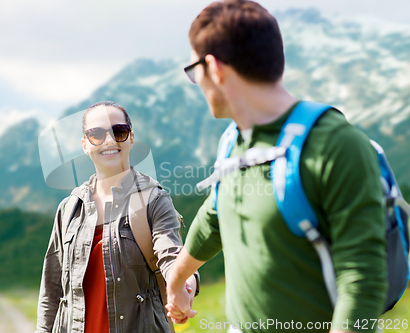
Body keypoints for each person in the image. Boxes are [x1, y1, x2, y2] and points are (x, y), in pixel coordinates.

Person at [165, 1, 388, 332]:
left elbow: (362, 278)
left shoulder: (336, 144)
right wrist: (176, 280)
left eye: (194, 72)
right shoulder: (233, 142)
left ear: (214, 69)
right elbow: (214, 216)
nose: (197, 83)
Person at [35, 101, 198, 333]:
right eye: (97, 134)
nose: (109, 141)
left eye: (119, 132)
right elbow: (52, 290)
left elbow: (172, 257)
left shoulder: (154, 200)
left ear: (131, 138)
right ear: (84, 144)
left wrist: (184, 286)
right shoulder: (69, 208)